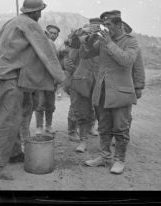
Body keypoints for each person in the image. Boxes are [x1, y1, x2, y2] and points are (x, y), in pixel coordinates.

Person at [0, 0, 64, 180]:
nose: (40, 14)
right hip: (10, 78)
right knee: (7, 121)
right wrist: (60, 77)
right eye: (40, 11)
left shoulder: (11, 22)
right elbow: (46, 52)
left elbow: (0, 46)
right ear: (37, 11)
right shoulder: (30, 24)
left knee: (16, 116)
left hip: (5, 75)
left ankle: (13, 154)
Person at [83, 10, 140, 175]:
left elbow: (127, 60)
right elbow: (85, 54)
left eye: (109, 25)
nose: (106, 28)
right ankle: (104, 157)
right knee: (104, 126)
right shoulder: (103, 40)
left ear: (119, 25)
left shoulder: (131, 42)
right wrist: (89, 40)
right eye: (104, 25)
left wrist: (108, 43)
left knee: (121, 128)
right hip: (103, 91)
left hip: (121, 93)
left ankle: (119, 160)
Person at [65, 20, 101, 153]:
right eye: (92, 28)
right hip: (83, 82)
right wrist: (81, 32)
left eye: (97, 27)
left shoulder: (104, 40)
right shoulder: (80, 40)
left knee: (102, 113)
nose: (94, 30)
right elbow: (72, 51)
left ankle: (104, 145)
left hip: (99, 82)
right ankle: (83, 140)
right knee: (82, 112)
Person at [32, 24, 61, 133]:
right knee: (39, 104)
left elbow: (56, 63)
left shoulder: (54, 46)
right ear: (47, 33)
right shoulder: (40, 44)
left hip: (50, 80)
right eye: (51, 33)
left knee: (50, 105)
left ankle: (48, 126)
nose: (53, 35)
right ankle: (39, 126)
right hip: (40, 79)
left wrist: (56, 79)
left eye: (55, 34)